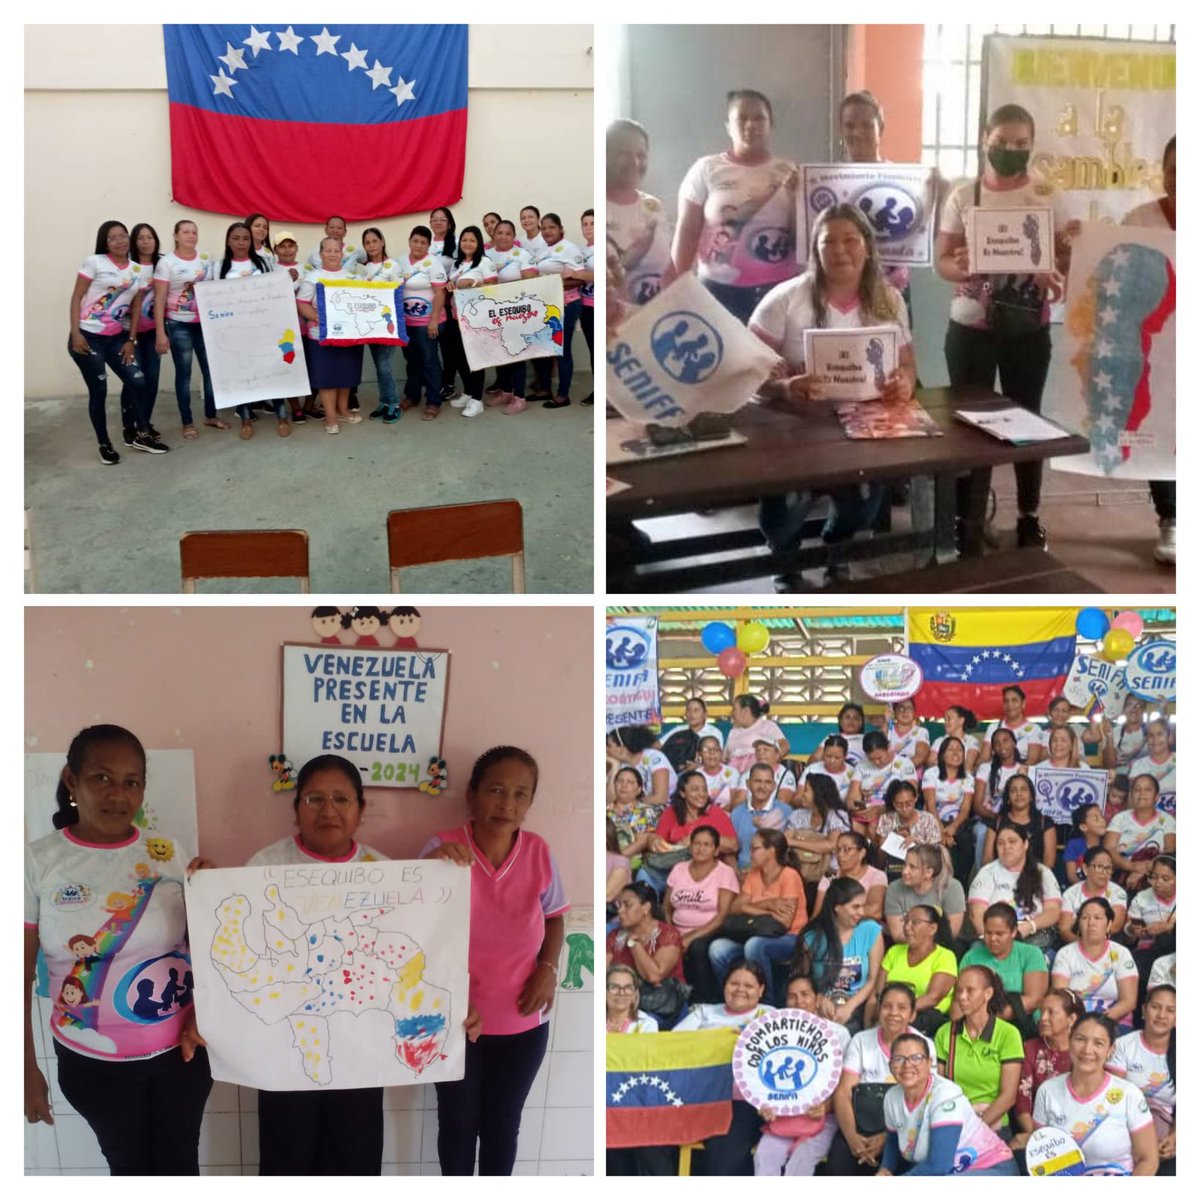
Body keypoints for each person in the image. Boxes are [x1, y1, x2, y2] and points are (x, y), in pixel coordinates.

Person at [24, 725, 211, 1173]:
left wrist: (212, 897)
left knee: (181, 1166)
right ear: (72, 780)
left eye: (132, 782)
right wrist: (23, 1069)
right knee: (129, 1167)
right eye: (101, 778)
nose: (118, 795)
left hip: (180, 1058)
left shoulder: (168, 853)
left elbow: (207, 952)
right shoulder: (37, 862)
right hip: (94, 1065)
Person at [243, 754, 423, 1175]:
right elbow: (248, 948)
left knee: (354, 1156)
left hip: (360, 1046)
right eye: (314, 799)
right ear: (296, 809)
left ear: (360, 809)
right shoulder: (263, 868)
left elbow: (410, 952)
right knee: (287, 1155)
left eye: (341, 799)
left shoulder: (384, 872)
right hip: (286, 1046)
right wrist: (205, 887)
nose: (328, 810)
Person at [748, 204, 915, 586]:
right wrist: (785, 387)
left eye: (850, 240)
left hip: (862, 423)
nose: (840, 250)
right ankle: (785, 563)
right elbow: (747, 374)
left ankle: (835, 551)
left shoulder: (889, 299)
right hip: (792, 424)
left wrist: (902, 384)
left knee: (863, 500)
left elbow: (908, 366)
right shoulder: (784, 299)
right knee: (788, 503)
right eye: (829, 242)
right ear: (816, 250)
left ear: (868, 247)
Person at [421, 746, 567, 1176]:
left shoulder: (539, 852)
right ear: (471, 797)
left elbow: (556, 918)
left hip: (524, 1023)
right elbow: (415, 927)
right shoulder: (442, 848)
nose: (507, 804)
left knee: (504, 1126)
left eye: (521, 794)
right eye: (496, 790)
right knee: (458, 1124)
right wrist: (428, 867)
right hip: (457, 1021)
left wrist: (548, 969)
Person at [936, 103, 1075, 550]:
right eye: (1002, 143)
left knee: (1027, 423)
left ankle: (1028, 516)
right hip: (970, 330)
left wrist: (1051, 269)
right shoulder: (964, 195)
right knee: (970, 427)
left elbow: (1067, 265)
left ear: (1032, 146)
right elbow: (942, 262)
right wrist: (962, 268)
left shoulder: (1048, 197)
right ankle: (967, 520)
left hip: (1027, 331)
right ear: (984, 140)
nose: (1010, 151)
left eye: (1021, 144)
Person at [671, 89, 799, 322]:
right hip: (718, 292)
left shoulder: (792, 172)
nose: (751, 125)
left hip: (779, 292)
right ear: (729, 126)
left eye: (759, 118)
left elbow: (803, 237)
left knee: (775, 359)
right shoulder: (706, 169)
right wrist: (678, 288)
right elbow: (687, 231)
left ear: (771, 125)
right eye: (742, 118)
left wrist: (796, 194)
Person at [68, 220, 166, 463]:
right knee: (99, 391)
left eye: (123, 236)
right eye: (113, 238)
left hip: (116, 338)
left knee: (138, 381)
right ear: (105, 242)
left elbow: (135, 305)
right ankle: (105, 444)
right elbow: (77, 296)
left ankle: (141, 434)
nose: (120, 241)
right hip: (88, 338)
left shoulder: (138, 270)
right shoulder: (95, 263)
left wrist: (131, 339)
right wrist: (76, 333)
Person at [1122, 135, 1176, 564]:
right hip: (1158, 346)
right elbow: (1115, 266)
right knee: (1161, 430)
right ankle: (1171, 520)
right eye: (1173, 168)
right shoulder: (1141, 219)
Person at [674, 961, 774, 1174]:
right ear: (724, 986)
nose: (740, 990)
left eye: (749, 986)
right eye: (734, 983)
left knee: (723, 1156)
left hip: (747, 1102)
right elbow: (675, 1045)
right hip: (703, 1098)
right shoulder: (705, 1013)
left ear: (761, 990)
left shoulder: (771, 1016)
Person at [1032, 1012, 1159, 1174]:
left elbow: (1148, 1160)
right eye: (1080, 1039)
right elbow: (1041, 1158)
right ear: (1069, 1041)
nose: (1087, 1050)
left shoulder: (1129, 1095)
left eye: (1098, 1043)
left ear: (1110, 1050)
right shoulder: (1047, 1091)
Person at [827, 982, 933, 1175]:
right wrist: (852, 1138)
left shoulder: (924, 1046)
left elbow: (925, 1100)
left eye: (902, 1008)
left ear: (912, 1014)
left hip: (904, 1132)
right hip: (860, 1127)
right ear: (878, 1009)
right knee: (837, 1165)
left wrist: (887, 1138)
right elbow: (843, 1093)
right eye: (887, 1006)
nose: (893, 1013)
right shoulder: (860, 1040)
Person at [877, 1032, 1017, 1175]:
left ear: (929, 1062)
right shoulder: (891, 1097)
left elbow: (939, 1165)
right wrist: (885, 1169)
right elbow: (894, 1141)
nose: (907, 1065)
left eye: (916, 1058)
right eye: (899, 1059)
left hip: (989, 1166)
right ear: (890, 1065)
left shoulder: (945, 1095)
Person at [753, 973, 851, 1175]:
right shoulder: (774, 1033)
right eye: (792, 996)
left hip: (824, 1117)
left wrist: (825, 1107)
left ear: (818, 999)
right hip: (782, 1115)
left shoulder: (838, 1033)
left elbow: (844, 1084)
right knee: (764, 1157)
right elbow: (762, 1079)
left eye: (805, 994)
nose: (799, 1001)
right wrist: (764, 1105)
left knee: (799, 1164)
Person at [707, 829, 807, 1003]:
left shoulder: (789, 876)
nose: (750, 853)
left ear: (772, 851)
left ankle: (765, 1003)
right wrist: (767, 905)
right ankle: (734, 999)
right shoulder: (754, 874)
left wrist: (749, 907)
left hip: (790, 938)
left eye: (755, 848)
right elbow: (734, 908)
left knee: (754, 946)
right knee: (717, 948)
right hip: (756, 933)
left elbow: (784, 922)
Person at [216, 221, 289, 439]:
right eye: (236, 238)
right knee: (242, 374)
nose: (241, 242)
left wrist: (289, 279)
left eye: (245, 238)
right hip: (235, 331)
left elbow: (278, 288)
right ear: (229, 241)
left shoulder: (265, 263)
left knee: (272, 371)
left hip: (264, 329)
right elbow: (213, 297)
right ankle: (246, 420)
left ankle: (282, 417)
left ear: (252, 241)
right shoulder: (219, 266)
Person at [153, 219, 223, 439]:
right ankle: (187, 422)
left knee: (210, 371)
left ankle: (211, 416)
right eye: (185, 232)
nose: (191, 236)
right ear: (175, 235)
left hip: (204, 324)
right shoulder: (167, 263)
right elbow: (160, 299)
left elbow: (213, 290)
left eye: (194, 232)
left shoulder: (205, 259)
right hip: (178, 323)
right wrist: (160, 332)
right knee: (184, 374)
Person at [936, 965, 1023, 1137]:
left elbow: (1008, 1096)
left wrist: (974, 1129)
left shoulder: (1008, 1034)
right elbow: (940, 1087)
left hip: (993, 1126)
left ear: (988, 994)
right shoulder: (946, 1033)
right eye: (959, 990)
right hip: (954, 1121)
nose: (962, 997)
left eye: (970, 991)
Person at [791, 877, 882, 1031]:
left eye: (863, 906)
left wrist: (849, 1007)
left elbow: (873, 979)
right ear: (837, 907)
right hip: (822, 1006)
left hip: (857, 1006)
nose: (862, 912)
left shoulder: (870, 930)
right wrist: (819, 998)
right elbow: (802, 979)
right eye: (855, 907)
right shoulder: (813, 937)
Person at [296, 237, 365, 435]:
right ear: (320, 254)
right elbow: (302, 303)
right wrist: (321, 319)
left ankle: (342, 409)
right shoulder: (313, 277)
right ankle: (330, 416)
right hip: (321, 335)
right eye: (328, 250)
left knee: (346, 374)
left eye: (337, 251)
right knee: (327, 376)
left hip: (350, 335)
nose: (333, 254)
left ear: (342, 254)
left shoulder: (353, 277)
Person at [663, 825, 739, 1002]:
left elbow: (722, 916)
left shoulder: (725, 873)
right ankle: (671, 1002)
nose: (700, 848)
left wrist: (689, 937)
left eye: (707, 844)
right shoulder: (679, 869)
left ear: (716, 850)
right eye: (696, 843)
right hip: (677, 930)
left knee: (697, 947)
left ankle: (702, 1001)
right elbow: (667, 906)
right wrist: (670, 931)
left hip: (710, 930)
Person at [1108, 985, 1175, 1174]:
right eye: (1155, 1007)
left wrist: (1175, 1137)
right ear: (1144, 1010)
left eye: (1170, 1010)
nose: (1161, 1015)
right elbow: (1115, 1099)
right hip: (1128, 1127)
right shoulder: (1123, 1046)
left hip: (1167, 1133)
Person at [607, 118, 673, 307]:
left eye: (641, 155)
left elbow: (669, 269)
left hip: (654, 323)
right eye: (623, 154)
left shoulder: (654, 207)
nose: (634, 163)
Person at [1011, 986, 1084, 1152]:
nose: (1042, 1018)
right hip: (1038, 1129)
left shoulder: (1085, 1051)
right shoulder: (1030, 1048)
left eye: (1051, 1012)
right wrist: (1040, 1139)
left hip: (1079, 1130)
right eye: (1042, 1011)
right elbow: (1023, 1101)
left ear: (1071, 1019)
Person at [961, 903, 1049, 1037]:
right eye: (988, 933)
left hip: (1022, 1023)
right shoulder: (971, 956)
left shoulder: (1031, 954)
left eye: (999, 934)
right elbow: (962, 994)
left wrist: (991, 1020)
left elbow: (1035, 999)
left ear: (1013, 932)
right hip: (977, 1022)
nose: (993, 939)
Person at [605, 882, 687, 1027]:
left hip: (662, 1005)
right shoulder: (615, 936)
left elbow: (654, 975)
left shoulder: (668, 934)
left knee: (640, 1025)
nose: (620, 911)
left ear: (646, 908)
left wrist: (635, 944)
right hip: (625, 1003)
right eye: (619, 905)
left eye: (627, 905)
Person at [642, 771, 737, 893]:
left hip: (706, 872)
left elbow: (733, 845)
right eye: (695, 789)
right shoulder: (671, 813)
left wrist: (695, 839)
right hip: (672, 868)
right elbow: (660, 845)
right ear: (682, 793)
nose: (701, 794)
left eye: (704, 789)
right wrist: (653, 840)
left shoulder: (715, 813)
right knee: (644, 874)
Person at [1049, 897, 1138, 1027]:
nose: (1091, 923)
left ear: (1108, 925)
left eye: (1097, 918)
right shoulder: (1065, 954)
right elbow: (1061, 997)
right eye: (1085, 918)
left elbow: (1129, 1001)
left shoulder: (1121, 953)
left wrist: (1099, 1023)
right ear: (1078, 923)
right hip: (1074, 1022)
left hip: (1114, 1021)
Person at [530, 212, 588, 409]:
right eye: (544, 228)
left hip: (566, 303)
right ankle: (545, 388)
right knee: (545, 348)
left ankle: (563, 395)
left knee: (562, 349)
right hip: (546, 305)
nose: (547, 231)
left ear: (560, 228)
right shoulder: (543, 249)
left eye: (551, 227)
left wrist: (554, 284)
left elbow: (580, 279)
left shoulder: (569, 249)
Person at [968, 823, 1061, 942]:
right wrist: (993, 939)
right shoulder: (987, 873)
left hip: (1034, 933)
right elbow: (977, 914)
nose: (1006, 847)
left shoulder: (1043, 872)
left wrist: (1030, 926)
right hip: (994, 936)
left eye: (1012, 841)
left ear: (1025, 844)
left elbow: (1053, 910)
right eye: (1000, 843)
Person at [870, 905, 957, 1032]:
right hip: (890, 1016)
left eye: (914, 922)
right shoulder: (894, 952)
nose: (906, 927)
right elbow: (878, 993)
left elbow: (933, 997)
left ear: (932, 928)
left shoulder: (945, 957)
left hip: (926, 1018)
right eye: (905, 921)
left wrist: (899, 1012)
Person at [483, 220, 539, 411]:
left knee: (517, 354)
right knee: (501, 354)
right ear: (494, 235)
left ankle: (519, 397)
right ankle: (506, 391)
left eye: (508, 233)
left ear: (513, 236)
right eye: (499, 233)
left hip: (517, 313)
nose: (503, 236)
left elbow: (531, 281)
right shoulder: (486, 256)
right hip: (495, 313)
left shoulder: (522, 255)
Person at [442, 224, 496, 419]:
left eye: (472, 240)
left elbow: (493, 286)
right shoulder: (457, 264)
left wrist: (473, 283)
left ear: (478, 242)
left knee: (475, 358)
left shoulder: (484, 262)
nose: (467, 243)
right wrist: (451, 284)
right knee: (459, 357)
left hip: (477, 319)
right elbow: (453, 286)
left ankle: (477, 399)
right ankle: (468, 392)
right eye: (464, 240)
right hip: (457, 317)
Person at [397, 225, 447, 420]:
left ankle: (434, 401)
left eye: (423, 242)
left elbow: (440, 293)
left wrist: (433, 320)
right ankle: (412, 395)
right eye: (415, 241)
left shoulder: (433, 263)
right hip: (406, 322)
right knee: (412, 361)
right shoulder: (400, 261)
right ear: (409, 241)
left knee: (429, 360)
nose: (418, 245)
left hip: (428, 322)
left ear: (428, 245)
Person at [357, 227, 405, 424]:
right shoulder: (365, 270)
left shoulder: (393, 266)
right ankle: (384, 401)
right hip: (371, 324)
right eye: (367, 243)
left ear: (382, 241)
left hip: (388, 323)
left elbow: (399, 293)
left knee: (385, 365)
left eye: (374, 241)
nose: (371, 246)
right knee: (378, 365)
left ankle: (394, 403)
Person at [122, 223, 163, 448]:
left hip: (153, 331)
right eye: (141, 238)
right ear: (134, 242)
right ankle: (129, 425)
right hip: (129, 332)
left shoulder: (163, 264)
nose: (146, 241)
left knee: (152, 379)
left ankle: (144, 423)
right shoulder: (128, 266)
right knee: (134, 379)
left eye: (150, 237)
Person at [969, 728, 1028, 873]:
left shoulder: (1024, 769)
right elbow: (977, 806)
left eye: (1006, 741)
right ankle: (981, 877)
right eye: (997, 743)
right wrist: (998, 819)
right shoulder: (985, 768)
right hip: (988, 819)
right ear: (993, 748)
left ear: (1014, 743)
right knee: (983, 833)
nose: (1002, 746)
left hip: (1017, 820)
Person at [1103, 773, 1174, 891]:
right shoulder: (1120, 818)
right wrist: (1131, 866)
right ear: (1131, 795)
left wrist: (1144, 871)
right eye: (1137, 789)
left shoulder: (1167, 820)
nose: (1142, 794)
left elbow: (1170, 851)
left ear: (1157, 796)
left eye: (1148, 789)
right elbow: (1109, 849)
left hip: (1157, 878)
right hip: (1120, 875)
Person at [884, 844, 967, 943]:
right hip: (905, 948)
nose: (905, 871)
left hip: (941, 948)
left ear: (929, 873)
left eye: (912, 867)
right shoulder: (894, 888)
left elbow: (951, 933)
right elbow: (897, 935)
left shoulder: (953, 887)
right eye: (905, 865)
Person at [922, 736, 975, 880]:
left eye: (960, 750)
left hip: (958, 822)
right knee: (941, 847)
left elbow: (965, 810)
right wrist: (942, 830)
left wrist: (952, 828)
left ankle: (960, 885)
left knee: (965, 843)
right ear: (942, 754)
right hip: (934, 820)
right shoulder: (931, 774)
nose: (956, 753)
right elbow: (930, 806)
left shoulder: (968, 778)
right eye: (951, 749)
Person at [784, 772, 852, 881]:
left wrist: (795, 842)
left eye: (806, 790)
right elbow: (785, 840)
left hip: (829, 874)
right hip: (799, 871)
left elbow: (831, 845)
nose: (802, 795)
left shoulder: (838, 816)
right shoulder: (797, 815)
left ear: (818, 793)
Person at [847, 730, 917, 833]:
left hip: (894, 809)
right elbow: (852, 796)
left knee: (874, 827)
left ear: (888, 748)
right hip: (868, 810)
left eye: (880, 757)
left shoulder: (904, 764)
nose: (876, 762)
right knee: (855, 826)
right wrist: (857, 808)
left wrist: (883, 809)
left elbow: (911, 794)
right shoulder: (861, 766)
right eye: (871, 759)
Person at [982, 774, 1055, 870]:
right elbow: (987, 859)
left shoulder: (1045, 823)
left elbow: (1049, 863)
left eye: (1023, 789)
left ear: (1031, 797)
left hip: (1035, 878)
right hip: (1001, 878)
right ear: (1008, 798)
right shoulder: (997, 822)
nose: (1019, 793)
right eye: (1013, 791)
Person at [813, 831, 887, 922]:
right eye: (838, 849)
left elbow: (875, 911)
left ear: (862, 853)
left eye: (847, 849)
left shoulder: (877, 876)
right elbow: (817, 914)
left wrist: (838, 910)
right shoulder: (830, 877)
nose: (840, 854)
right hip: (833, 930)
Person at [730, 762, 793, 868]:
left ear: (774, 786)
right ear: (748, 784)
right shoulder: (737, 813)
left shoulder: (786, 812)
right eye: (757, 781)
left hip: (774, 872)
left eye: (767, 782)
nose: (762, 787)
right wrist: (736, 871)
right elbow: (730, 852)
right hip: (743, 871)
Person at [1059, 846, 1127, 942]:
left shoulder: (1118, 892)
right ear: (1085, 869)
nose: (1105, 872)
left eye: (1108, 868)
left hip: (1108, 941)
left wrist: (1094, 942)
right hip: (1076, 942)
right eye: (1099, 867)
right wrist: (1083, 944)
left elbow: (1115, 926)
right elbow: (1064, 930)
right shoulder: (1070, 894)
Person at [428, 206, 461, 402]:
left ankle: (448, 383)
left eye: (442, 219)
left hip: (450, 302)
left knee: (449, 346)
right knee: (431, 346)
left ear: (449, 223)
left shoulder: (456, 243)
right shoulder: (426, 242)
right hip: (429, 303)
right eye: (434, 219)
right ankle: (436, 381)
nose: (438, 222)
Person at [871, 779, 942, 870]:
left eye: (908, 804)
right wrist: (889, 841)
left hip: (922, 869)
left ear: (916, 798)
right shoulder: (886, 819)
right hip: (894, 868)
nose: (904, 809)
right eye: (899, 805)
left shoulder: (928, 819)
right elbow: (879, 862)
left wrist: (918, 843)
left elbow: (937, 855)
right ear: (893, 803)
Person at [605, 724, 676, 808]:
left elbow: (660, 799)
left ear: (622, 748)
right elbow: (609, 803)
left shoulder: (654, 757)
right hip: (638, 812)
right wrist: (614, 767)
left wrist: (628, 804)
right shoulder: (620, 765)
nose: (606, 749)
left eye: (609, 746)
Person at [979, 685, 1045, 764]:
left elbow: (1032, 761)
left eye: (1014, 700)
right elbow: (984, 759)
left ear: (1023, 704)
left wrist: (1014, 772)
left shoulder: (1034, 729)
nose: (1010, 704)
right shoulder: (993, 728)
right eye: (1006, 701)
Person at [724, 694, 789, 773]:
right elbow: (725, 757)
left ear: (746, 711)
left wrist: (769, 762)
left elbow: (785, 746)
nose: (731, 713)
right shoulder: (733, 732)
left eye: (734, 709)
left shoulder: (767, 726)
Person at [1124, 854, 1175, 954]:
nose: (1158, 883)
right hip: (1149, 951)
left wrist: (1169, 927)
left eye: (1165, 879)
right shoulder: (1141, 899)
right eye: (1154, 877)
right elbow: (1127, 940)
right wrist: (1132, 930)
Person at [659, 696, 724, 774]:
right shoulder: (679, 730)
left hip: (704, 771)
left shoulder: (714, 733)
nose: (691, 714)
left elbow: (717, 759)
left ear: (705, 714)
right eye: (688, 710)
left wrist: (698, 766)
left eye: (696, 710)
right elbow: (659, 745)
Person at [606, 765, 660, 856]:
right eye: (620, 781)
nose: (624, 785)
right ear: (614, 785)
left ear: (639, 789)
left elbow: (645, 841)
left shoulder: (647, 812)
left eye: (630, 782)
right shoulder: (605, 812)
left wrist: (616, 860)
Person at [1127, 718, 1176, 817]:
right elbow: (1131, 805)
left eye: (1160, 734)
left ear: (1169, 737)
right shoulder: (1138, 766)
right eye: (1151, 735)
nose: (1155, 739)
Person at [731, 738, 796, 809]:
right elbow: (738, 802)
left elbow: (783, 802)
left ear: (777, 755)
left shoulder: (786, 775)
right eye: (758, 750)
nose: (761, 753)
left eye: (766, 750)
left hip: (775, 815)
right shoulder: (748, 773)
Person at [1062, 802, 1111, 884]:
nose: (1102, 820)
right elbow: (1071, 875)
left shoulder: (1107, 844)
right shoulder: (1074, 845)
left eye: (1102, 816)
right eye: (1096, 818)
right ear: (1083, 827)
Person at [800, 734, 855, 806]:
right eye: (828, 756)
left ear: (845, 756)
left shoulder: (853, 772)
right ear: (823, 753)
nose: (832, 761)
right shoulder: (812, 769)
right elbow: (798, 797)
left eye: (837, 758)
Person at [1099, 694, 1149, 773]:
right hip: (1119, 780)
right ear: (1123, 709)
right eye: (1129, 705)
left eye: (1139, 706)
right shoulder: (1113, 733)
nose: (1134, 709)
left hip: (1146, 779)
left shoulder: (1152, 732)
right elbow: (1109, 766)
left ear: (1144, 710)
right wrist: (1109, 739)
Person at [604, 965, 658, 1034]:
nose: (621, 993)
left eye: (628, 987)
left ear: (634, 993)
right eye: (614, 987)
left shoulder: (647, 1024)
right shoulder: (591, 1022)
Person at [930, 705, 981, 773]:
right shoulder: (939, 741)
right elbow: (931, 762)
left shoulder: (971, 741)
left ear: (961, 721)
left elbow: (969, 764)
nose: (945, 723)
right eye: (945, 720)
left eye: (949, 719)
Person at [696, 735, 740, 808]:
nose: (712, 753)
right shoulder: (696, 775)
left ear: (721, 752)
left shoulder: (732, 772)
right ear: (699, 754)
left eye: (716, 749)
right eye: (707, 750)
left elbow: (735, 803)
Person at [886, 700, 931, 769]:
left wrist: (900, 768)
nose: (905, 711)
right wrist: (886, 723)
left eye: (909, 708)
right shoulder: (888, 730)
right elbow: (881, 754)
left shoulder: (921, 731)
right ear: (894, 712)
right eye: (901, 708)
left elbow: (920, 757)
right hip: (887, 772)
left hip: (911, 772)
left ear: (914, 712)